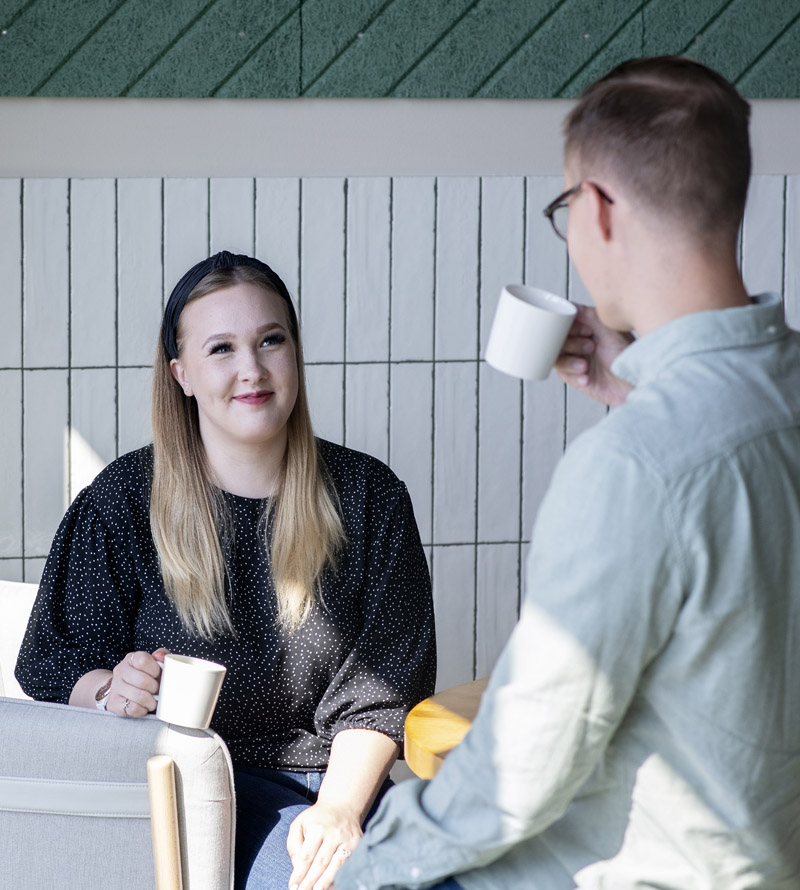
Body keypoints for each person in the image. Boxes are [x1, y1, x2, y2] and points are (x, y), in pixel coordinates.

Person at [334, 56, 800, 890]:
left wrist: (368, 869)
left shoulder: (633, 467)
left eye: (565, 208)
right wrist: (634, 389)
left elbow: (520, 768)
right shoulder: (746, 408)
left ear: (599, 209)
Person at [15, 250, 436, 890]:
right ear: (181, 373)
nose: (252, 369)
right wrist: (109, 689)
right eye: (221, 349)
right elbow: (51, 663)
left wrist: (340, 811)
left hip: (342, 788)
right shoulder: (123, 500)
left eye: (272, 340)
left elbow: (381, 697)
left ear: (295, 351)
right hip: (197, 794)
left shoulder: (369, 496)